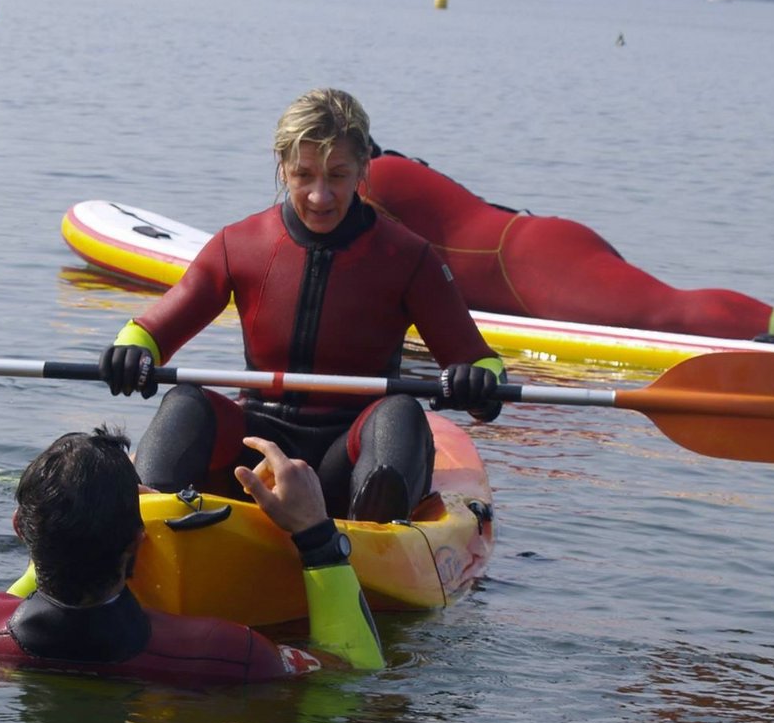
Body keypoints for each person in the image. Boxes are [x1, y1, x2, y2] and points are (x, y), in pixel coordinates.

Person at [97, 88, 506, 526]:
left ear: (363, 168)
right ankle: (145, 525)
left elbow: (480, 360)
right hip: (254, 455)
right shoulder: (240, 244)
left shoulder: (409, 258)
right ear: (282, 166)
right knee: (185, 402)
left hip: (350, 455)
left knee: (401, 411)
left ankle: (375, 541)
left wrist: (479, 381)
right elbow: (153, 330)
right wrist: (131, 350)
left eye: (337, 175)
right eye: (303, 175)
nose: (319, 195)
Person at [0, 427, 385, 683]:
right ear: (140, 540)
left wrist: (57, 530)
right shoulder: (230, 653)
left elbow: (12, 605)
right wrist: (316, 537)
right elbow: (353, 675)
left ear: (20, 532)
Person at [363, 149, 774, 349]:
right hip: (540, 248)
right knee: (667, 306)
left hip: (537, 269)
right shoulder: (385, 171)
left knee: (668, 311)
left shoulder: (374, 180)